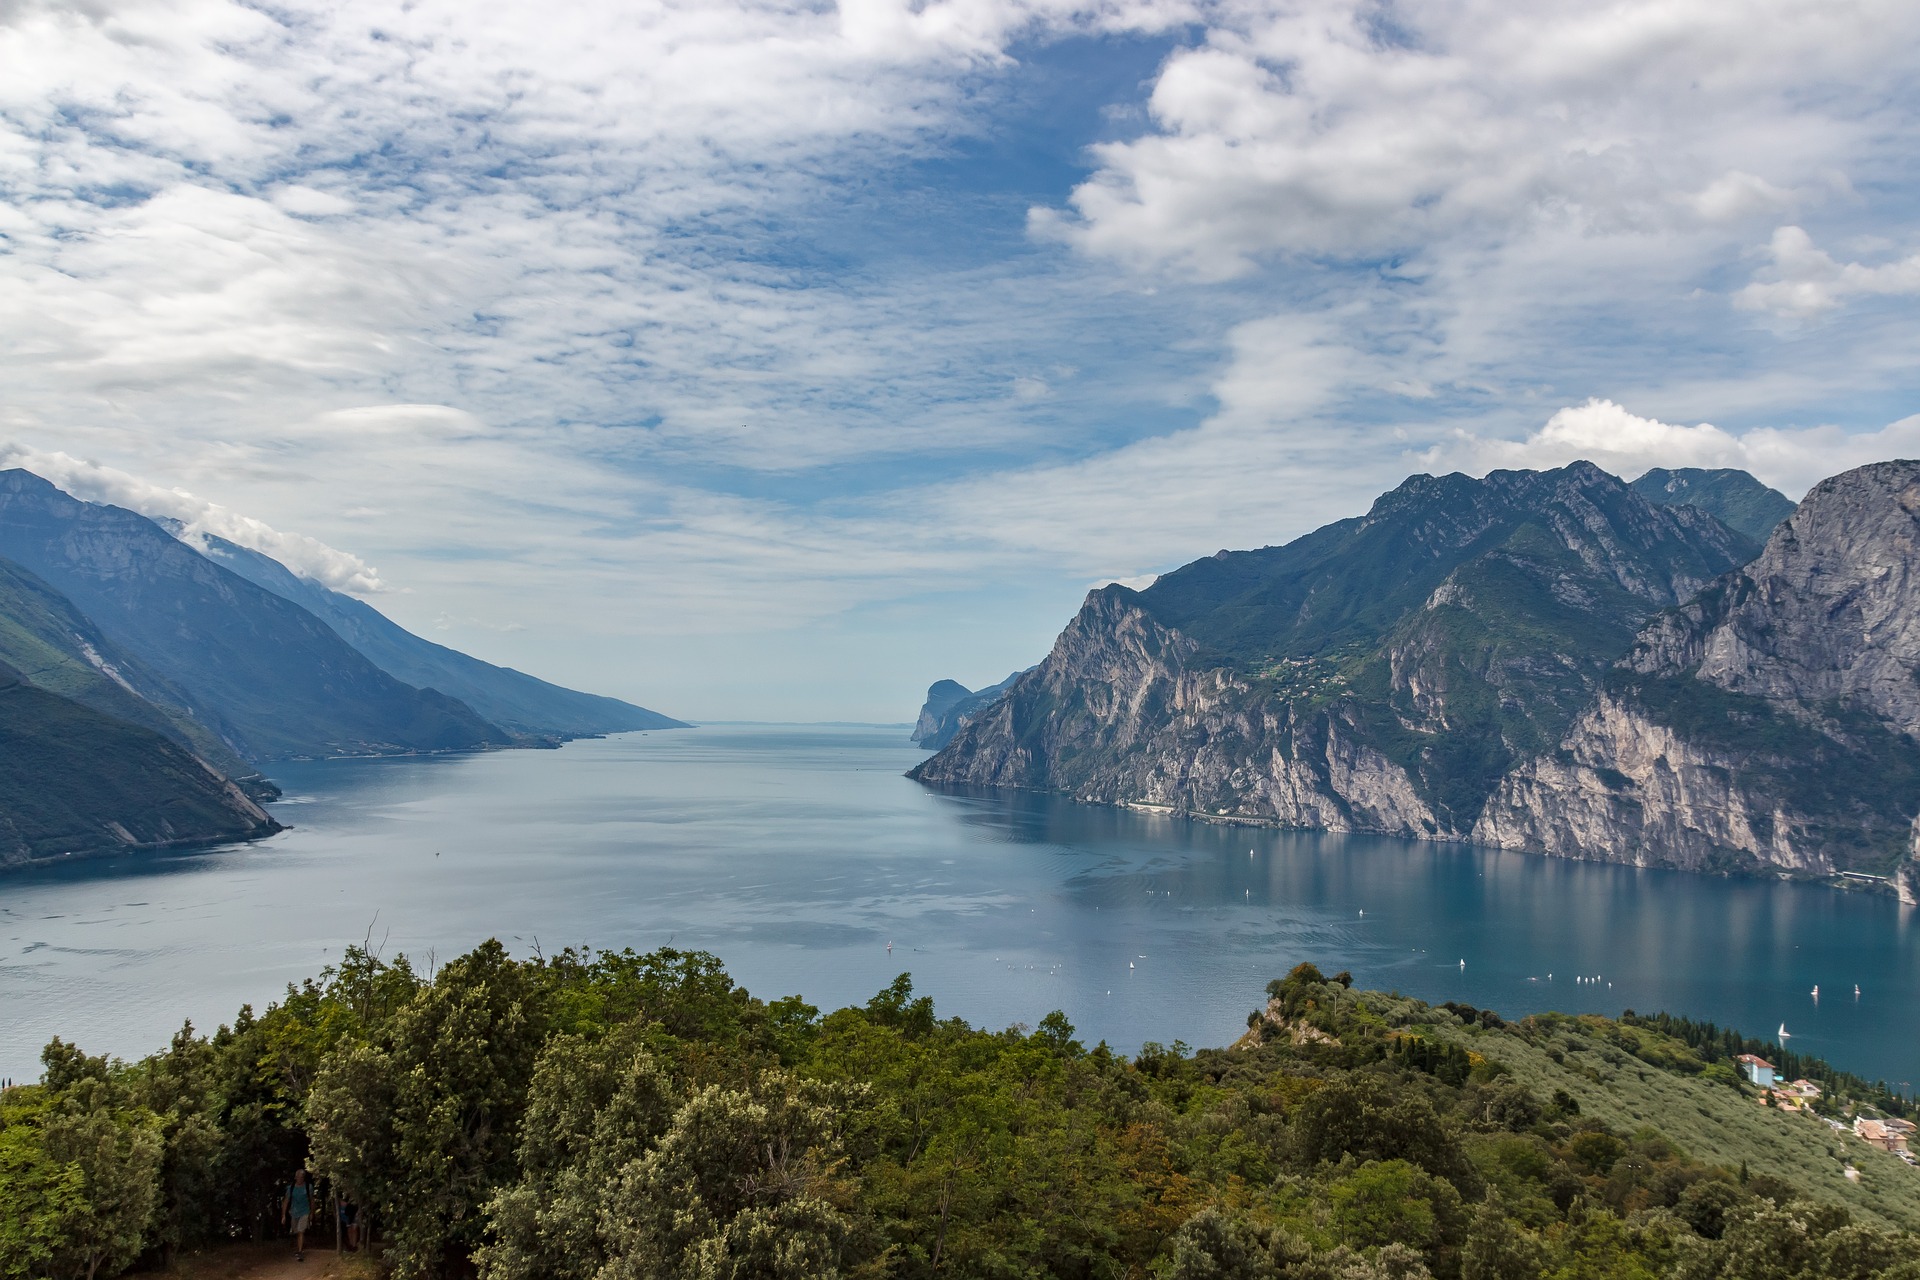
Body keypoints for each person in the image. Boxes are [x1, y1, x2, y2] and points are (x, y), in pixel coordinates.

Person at [282, 1168, 313, 1261]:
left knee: (301, 1231)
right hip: (294, 1212)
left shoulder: (308, 1187)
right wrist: (283, 1215)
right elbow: (286, 1201)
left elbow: (312, 1200)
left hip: (305, 1211)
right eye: (298, 1177)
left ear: (304, 1178)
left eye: (302, 1177)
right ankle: (299, 1247)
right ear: (295, 1177)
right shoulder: (290, 1188)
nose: (300, 1179)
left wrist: (311, 1213)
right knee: (296, 1231)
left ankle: (300, 1251)